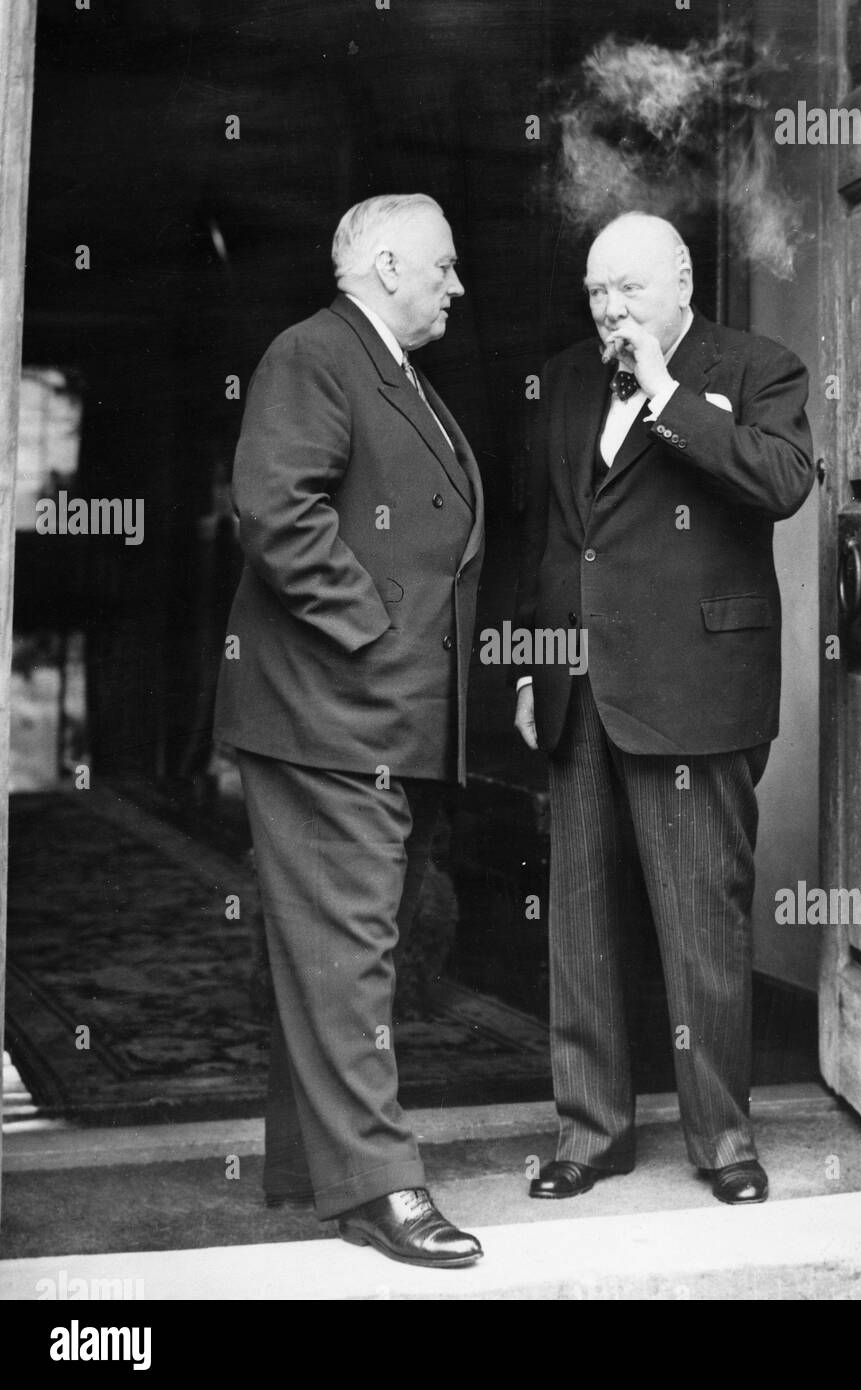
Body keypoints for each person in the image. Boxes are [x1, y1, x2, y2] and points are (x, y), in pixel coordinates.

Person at [514, 211, 813, 1205]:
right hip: (580, 688)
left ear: (680, 283)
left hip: (695, 688)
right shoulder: (560, 377)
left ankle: (722, 1140)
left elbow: (779, 483)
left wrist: (665, 394)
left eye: (627, 291)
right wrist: (532, 663)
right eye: (596, 292)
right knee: (580, 925)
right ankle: (587, 1134)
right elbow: (555, 538)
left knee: (702, 922)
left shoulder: (756, 367)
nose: (608, 311)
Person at [214, 193, 485, 1267]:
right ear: (383, 265)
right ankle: (382, 1188)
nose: (456, 286)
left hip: (363, 713)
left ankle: (305, 1168)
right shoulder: (313, 353)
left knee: (328, 945)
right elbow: (277, 508)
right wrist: (373, 634)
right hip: (330, 710)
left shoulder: (385, 366)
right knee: (355, 951)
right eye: (443, 266)